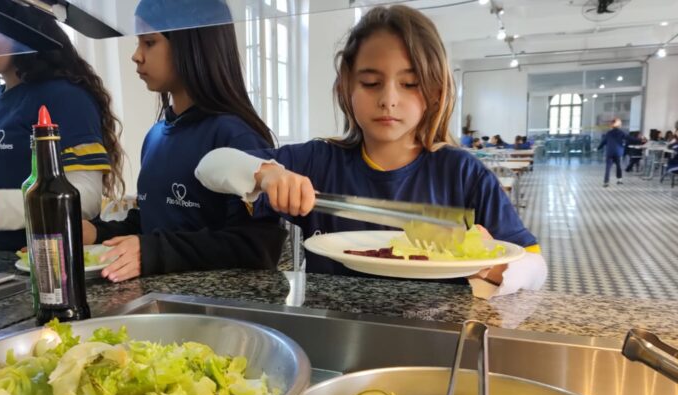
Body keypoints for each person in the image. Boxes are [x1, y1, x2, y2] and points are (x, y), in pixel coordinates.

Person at [196, 5, 546, 299]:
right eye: (370, 82)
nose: (388, 99)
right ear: (346, 84)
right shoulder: (319, 162)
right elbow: (211, 164)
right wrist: (268, 173)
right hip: (335, 334)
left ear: (436, 91)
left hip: (437, 341)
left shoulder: (462, 173)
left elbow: (535, 267)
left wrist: (489, 261)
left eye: (409, 84)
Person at [82, 0, 286, 282]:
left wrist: (153, 253)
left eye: (149, 42)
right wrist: (98, 233)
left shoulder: (235, 136)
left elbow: (256, 247)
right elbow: (158, 225)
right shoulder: (155, 137)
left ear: (191, 45)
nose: (136, 56)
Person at [0, 10, 124, 252]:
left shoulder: (64, 97)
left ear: (21, 30)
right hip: (4, 259)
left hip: (54, 259)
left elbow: (86, 198)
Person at [597, 118, 627, 187]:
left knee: (608, 167)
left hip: (609, 152)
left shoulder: (608, 133)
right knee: (618, 166)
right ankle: (619, 180)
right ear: (619, 125)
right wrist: (640, 141)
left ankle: (606, 182)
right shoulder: (621, 132)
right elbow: (628, 138)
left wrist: (598, 148)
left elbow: (603, 142)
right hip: (618, 153)